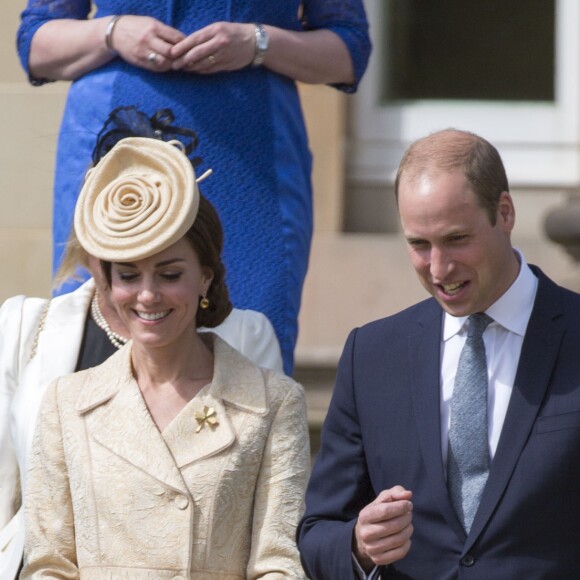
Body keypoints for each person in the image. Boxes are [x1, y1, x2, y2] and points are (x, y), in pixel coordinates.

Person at [16, 1, 372, 374]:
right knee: (96, 336)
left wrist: (258, 42)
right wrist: (113, 32)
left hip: (251, 166)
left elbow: (349, 50)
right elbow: (36, 43)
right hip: (116, 155)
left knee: (251, 350)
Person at [0, 119, 284, 579]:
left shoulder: (247, 337)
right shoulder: (25, 327)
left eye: (169, 272)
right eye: (128, 270)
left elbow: (270, 533)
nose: (148, 292)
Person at [297, 129, 580, 578]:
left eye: (456, 239)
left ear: (504, 213)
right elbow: (317, 533)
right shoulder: (370, 355)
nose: (438, 268)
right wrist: (359, 544)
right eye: (418, 245)